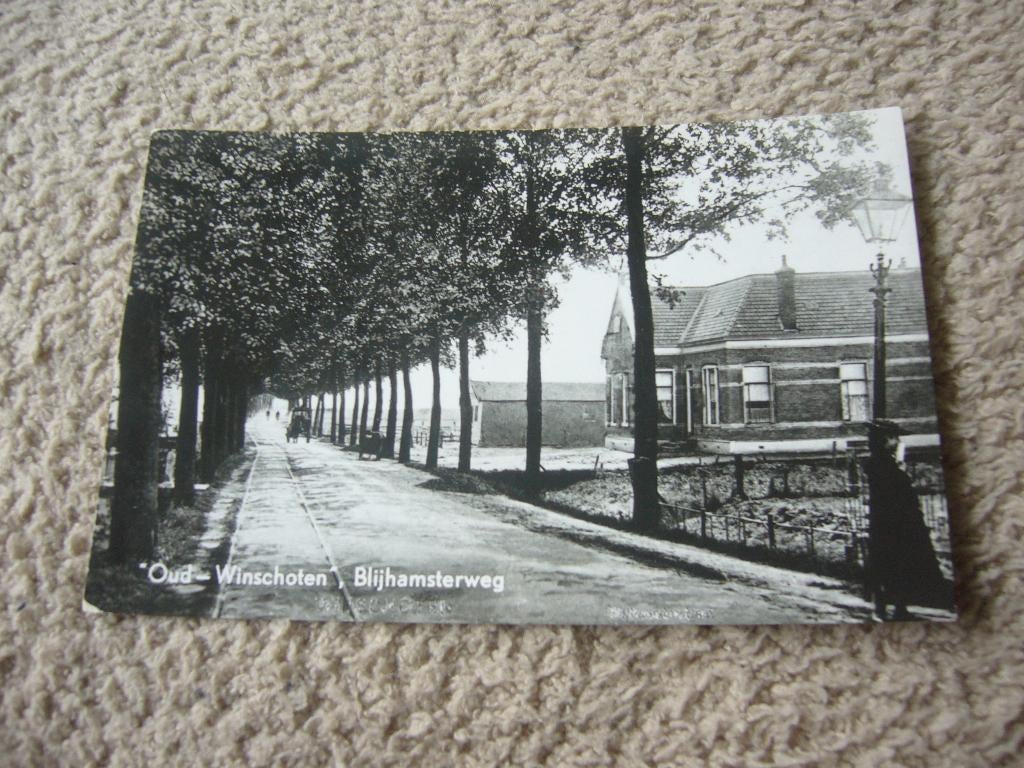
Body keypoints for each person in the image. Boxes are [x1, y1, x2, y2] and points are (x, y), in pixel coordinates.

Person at [864, 419, 946, 620]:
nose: (898, 441)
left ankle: (897, 608)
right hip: (892, 523)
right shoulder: (880, 464)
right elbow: (896, 491)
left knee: (897, 565)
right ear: (884, 440)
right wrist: (901, 468)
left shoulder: (882, 462)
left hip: (893, 522)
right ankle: (883, 609)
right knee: (892, 564)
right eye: (894, 437)